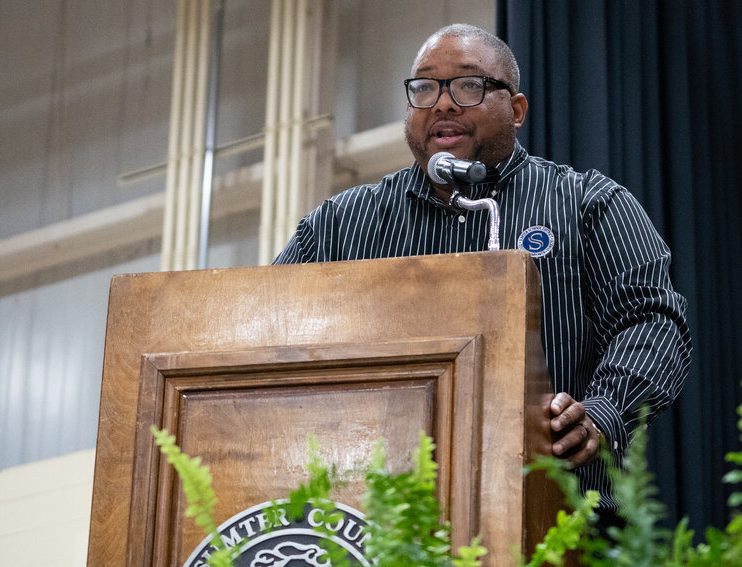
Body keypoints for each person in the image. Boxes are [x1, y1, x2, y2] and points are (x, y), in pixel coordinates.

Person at [273, 24, 692, 525]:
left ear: (516, 110)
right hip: (374, 524)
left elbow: (652, 320)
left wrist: (604, 412)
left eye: (468, 85)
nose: (442, 104)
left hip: (559, 513)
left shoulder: (587, 203)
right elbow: (267, 330)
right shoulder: (341, 224)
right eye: (425, 88)